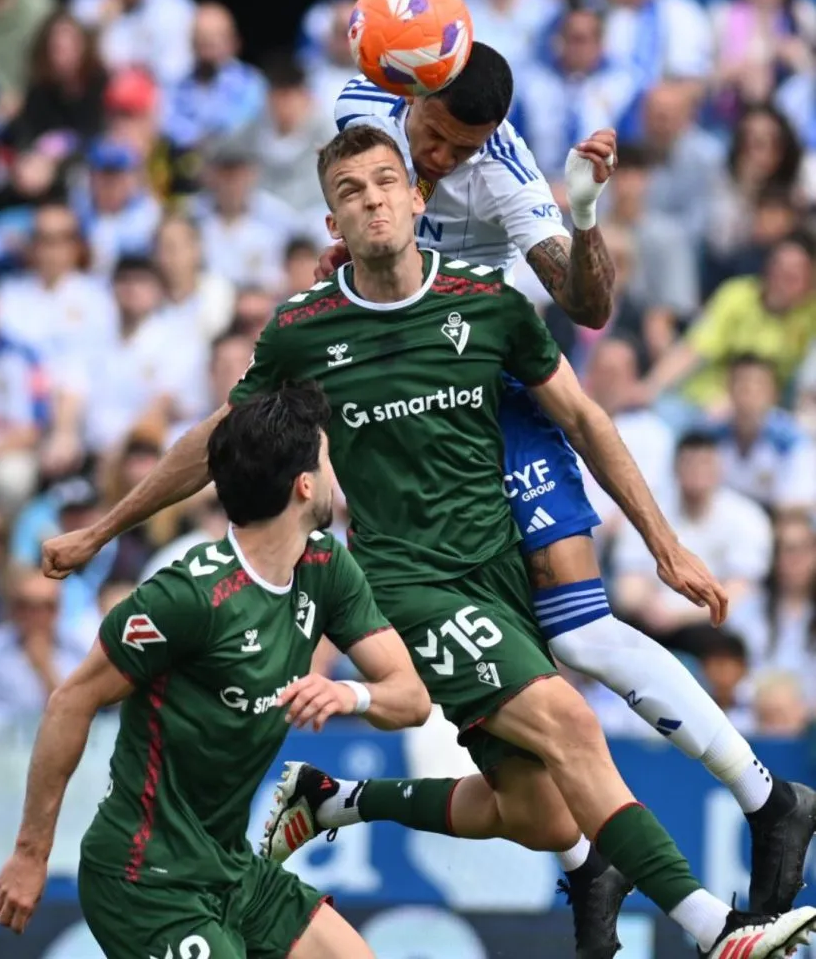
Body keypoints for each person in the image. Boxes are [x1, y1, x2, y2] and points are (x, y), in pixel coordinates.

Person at [40, 125, 816, 959]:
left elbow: (585, 419)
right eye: (350, 191)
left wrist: (663, 544)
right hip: (405, 587)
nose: (371, 199)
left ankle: (333, 799)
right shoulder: (303, 330)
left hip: (499, 582)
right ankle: (714, 929)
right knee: (569, 727)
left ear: (416, 198)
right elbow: (216, 438)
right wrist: (105, 527)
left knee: (538, 812)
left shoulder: (487, 306)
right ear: (334, 221)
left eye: (385, 183)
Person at [327, 41, 816, 917]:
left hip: (492, 396)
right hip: (401, 418)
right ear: (414, 97)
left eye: (462, 148)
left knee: (580, 638)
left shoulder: (505, 177)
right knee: (525, 752)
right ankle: (599, 859)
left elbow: (588, 311)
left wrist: (581, 216)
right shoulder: (366, 100)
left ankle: (764, 801)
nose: (440, 160)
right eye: (434, 138)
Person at [0, 384, 430, 957]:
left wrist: (348, 694)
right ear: (305, 486)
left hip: (231, 869)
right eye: (327, 461)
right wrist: (31, 853)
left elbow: (411, 699)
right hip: (144, 879)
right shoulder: (189, 596)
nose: (334, 475)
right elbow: (70, 701)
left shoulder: (327, 568)